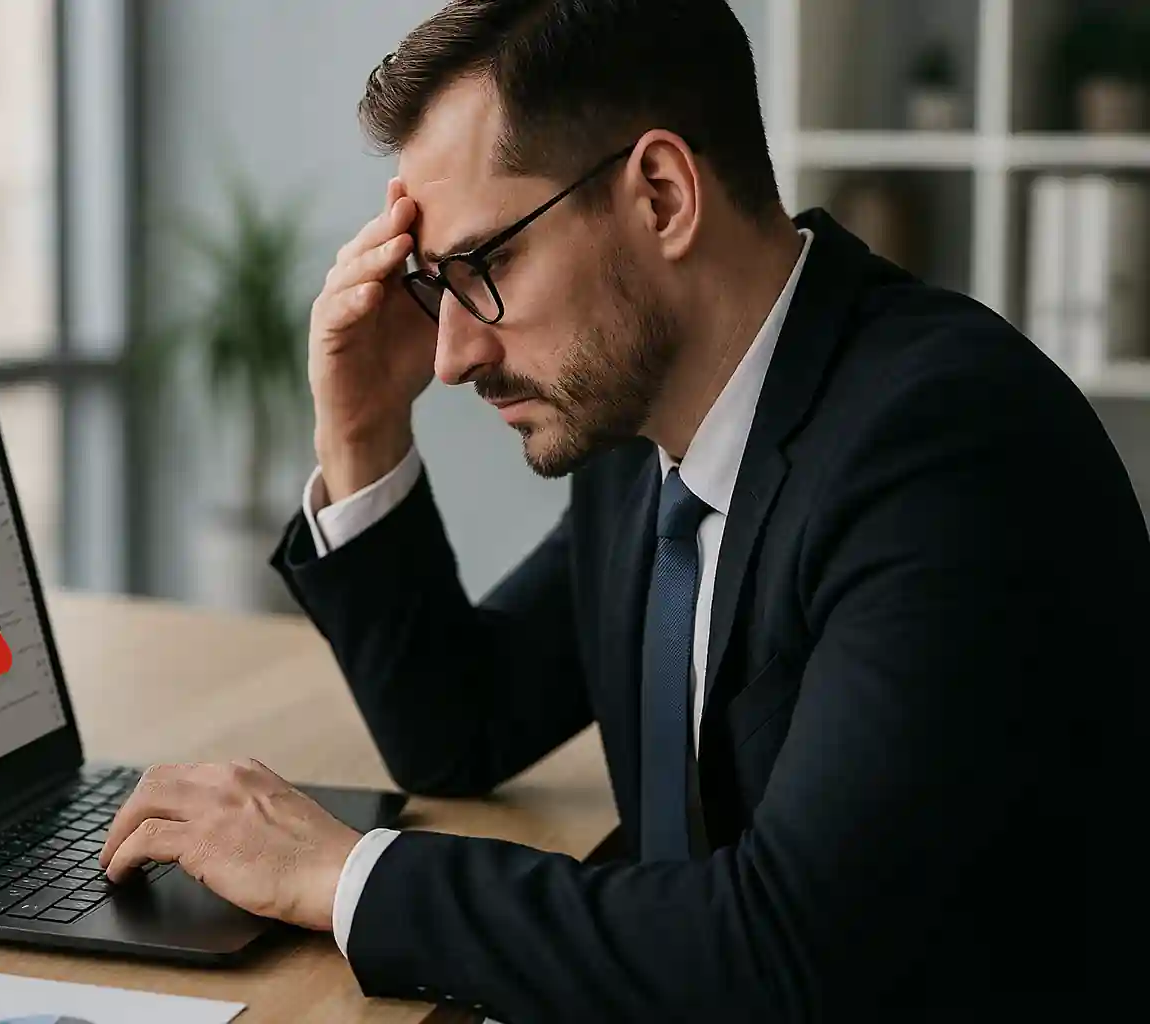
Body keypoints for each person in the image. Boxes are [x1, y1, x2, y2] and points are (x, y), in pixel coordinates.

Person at [100, 1, 1150, 1018]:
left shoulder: (944, 446)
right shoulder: (648, 436)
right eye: (436, 283)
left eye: (487, 265)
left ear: (660, 194)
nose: (453, 352)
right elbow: (460, 727)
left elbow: (784, 953)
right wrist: (362, 430)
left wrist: (343, 875)